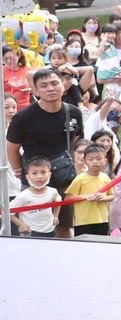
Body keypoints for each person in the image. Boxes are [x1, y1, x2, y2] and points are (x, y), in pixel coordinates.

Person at [6, 68, 83, 239]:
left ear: (64, 84)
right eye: (44, 85)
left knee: (63, 225)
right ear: (36, 90)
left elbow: (75, 140)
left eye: (54, 83)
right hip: (35, 181)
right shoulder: (24, 117)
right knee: (32, 228)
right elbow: (12, 148)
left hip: (64, 179)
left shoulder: (73, 112)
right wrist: (21, 171)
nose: (50, 88)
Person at [10, 155, 61, 236]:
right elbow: (8, 212)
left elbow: (58, 201)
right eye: (34, 173)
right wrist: (21, 224)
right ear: (27, 177)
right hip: (31, 232)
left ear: (49, 174)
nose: (39, 176)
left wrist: (55, 216)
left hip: (50, 229)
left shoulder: (53, 192)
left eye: (43, 172)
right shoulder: (23, 196)